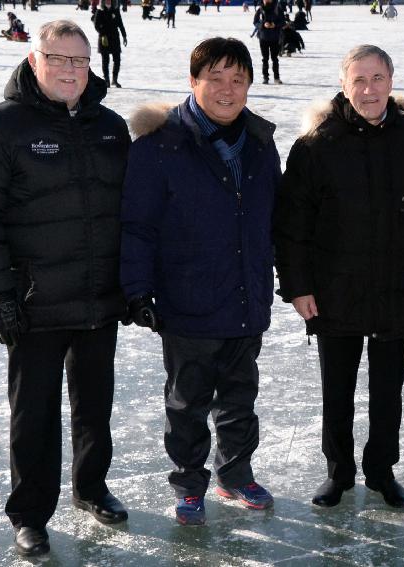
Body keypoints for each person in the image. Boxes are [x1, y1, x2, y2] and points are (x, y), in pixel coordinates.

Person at [0, 19, 131, 557]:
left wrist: (134, 283)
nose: (71, 70)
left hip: (99, 294)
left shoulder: (109, 126)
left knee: (95, 403)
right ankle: (30, 513)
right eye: (60, 59)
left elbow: (131, 213)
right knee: (34, 412)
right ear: (35, 61)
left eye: (80, 61)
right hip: (33, 301)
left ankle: (90, 486)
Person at [273, 45, 404, 510]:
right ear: (344, 84)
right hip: (336, 289)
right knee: (338, 391)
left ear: (391, 81)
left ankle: (381, 471)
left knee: (387, 390)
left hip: (399, 286)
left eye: (377, 78)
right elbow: (292, 222)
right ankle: (339, 473)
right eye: (359, 80)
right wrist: (298, 286)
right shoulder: (318, 144)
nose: (368, 89)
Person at [120, 36, 281, 527]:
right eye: (216, 78)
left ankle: (235, 473)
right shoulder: (160, 144)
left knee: (240, 397)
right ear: (193, 82)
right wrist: (136, 290)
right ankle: (189, 484)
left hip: (244, 296)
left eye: (238, 79)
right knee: (188, 403)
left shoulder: (259, 141)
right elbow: (137, 224)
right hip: (188, 298)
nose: (227, 90)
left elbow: (276, 219)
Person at [94, 0, 126, 87]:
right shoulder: (100, 11)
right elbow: (96, 25)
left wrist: (124, 36)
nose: (108, 1)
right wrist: (103, 33)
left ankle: (114, 80)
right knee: (105, 61)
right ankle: (107, 80)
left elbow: (120, 24)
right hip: (104, 39)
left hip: (115, 38)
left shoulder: (115, 10)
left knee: (117, 60)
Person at [254, 0, 285, 84]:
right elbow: (255, 22)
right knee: (265, 59)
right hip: (263, 38)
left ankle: (276, 78)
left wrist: (275, 25)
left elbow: (283, 22)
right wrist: (262, 25)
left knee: (275, 59)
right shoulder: (260, 9)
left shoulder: (278, 9)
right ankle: (265, 77)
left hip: (275, 37)